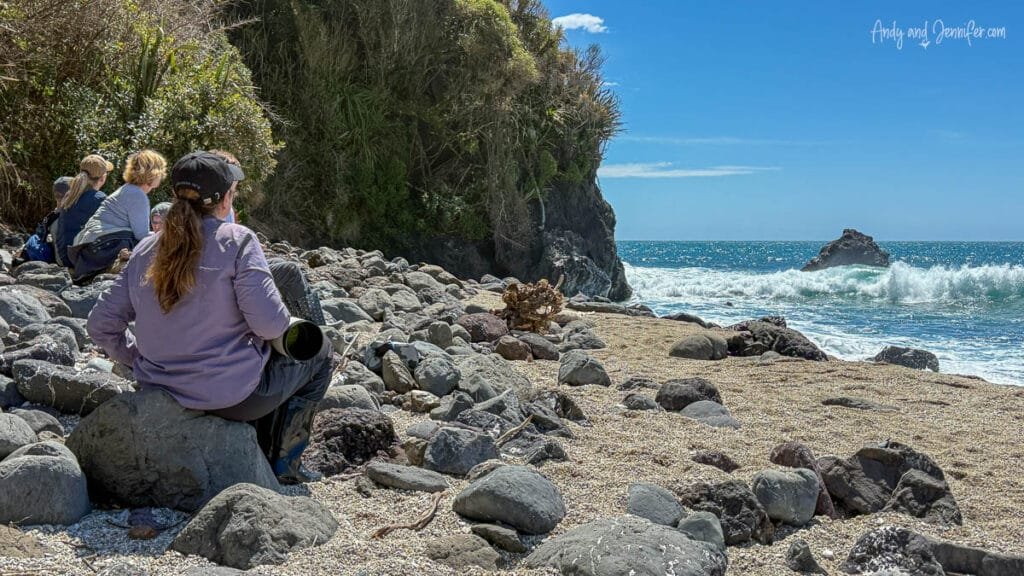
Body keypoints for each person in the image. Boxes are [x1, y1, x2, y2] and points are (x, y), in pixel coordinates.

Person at [87, 150, 331, 484]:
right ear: (226, 199)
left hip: (159, 387)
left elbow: (100, 324)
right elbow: (270, 325)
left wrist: (137, 359)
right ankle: (283, 466)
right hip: (231, 399)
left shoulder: (146, 248)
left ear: (174, 195)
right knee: (320, 352)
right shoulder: (238, 240)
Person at [69, 149, 167, 282]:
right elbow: (142, 236)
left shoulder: (127, 189)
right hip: (103, 248)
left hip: (89, 251)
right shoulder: (138, 195)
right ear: (153, 173)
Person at [54, 156, 112, 267]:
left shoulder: (70, 195)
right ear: (103, 178)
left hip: (63, 256)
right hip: (77, 260)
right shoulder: (99, 198)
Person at [17, 176, 74, 265]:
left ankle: (23, 255)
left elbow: (41, 235)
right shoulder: (81, 209)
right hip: (80, 259)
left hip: (61, 261)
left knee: (33, 239)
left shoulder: (53, 217)